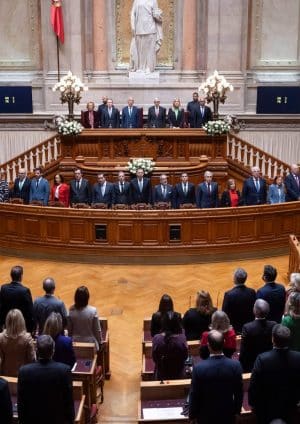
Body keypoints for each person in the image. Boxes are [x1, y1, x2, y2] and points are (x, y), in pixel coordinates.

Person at [248, 325, 300, 424]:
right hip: (290, 407)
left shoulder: (262, 359)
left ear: (272, 339)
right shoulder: (298, 358)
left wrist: (252, 403)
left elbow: (254, 384)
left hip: (266, 409)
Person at [18, 334, 75, 424]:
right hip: (57, 420)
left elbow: (21, 403)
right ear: (53, 351)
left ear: (36, 351)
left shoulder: (24, 371)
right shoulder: (64, 370)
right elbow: (68, 402)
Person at [189, 330, 243, 424]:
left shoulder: (199, 368)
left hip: (205, 416)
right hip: (227, 414)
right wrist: (237, 412)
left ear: (208, 345)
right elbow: (239, 393)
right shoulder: (235, 365)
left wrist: (192, 416)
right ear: (224, 343)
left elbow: (195, 394)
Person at [239, 299, 276, 373]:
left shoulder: (247, 327)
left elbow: (244, 351)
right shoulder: (274, 325)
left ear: (254, 311)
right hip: (270, 363)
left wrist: (241, 366)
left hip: (252, 365)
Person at [152, 311, 188, 380]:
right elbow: (185, 357)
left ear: (163, 323)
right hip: (179, 375)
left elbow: (155, 359)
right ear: (177, 323)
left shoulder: (157, 338)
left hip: (161, 375)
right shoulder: (182, 337)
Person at [0, 309, 35, 377]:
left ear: (7, 321)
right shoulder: (27, 338)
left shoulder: (1, 337)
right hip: (23, 376)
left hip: (5, 376)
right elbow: (32, 359)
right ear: (22, 321)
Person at [130, 0, 163, 73]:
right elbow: (133, 13)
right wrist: (133, 26)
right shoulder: (136, 1)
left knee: (150, 49)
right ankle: (141, 67)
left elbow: (155, 14)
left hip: (150, 28)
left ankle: (149, 67)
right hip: (139, 28)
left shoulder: (153, 1)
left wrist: (158, 15)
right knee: (140, 50)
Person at [0, 265, 35, 333]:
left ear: (11, 276)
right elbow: (30, 312)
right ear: (21, 277)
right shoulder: (25, 291)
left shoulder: (3, 288)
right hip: (20, 326)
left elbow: (1, 307)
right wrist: (30, 330)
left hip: (7, 324)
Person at [222, 268, 256, 334]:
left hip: (234, 330)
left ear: (234, 279)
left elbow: (224, 313)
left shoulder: (229, 294)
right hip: (250, 328)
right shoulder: (252, 292)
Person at [68, 286, 102, 351]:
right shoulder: (93, 311)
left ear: (76, 298)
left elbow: (70, 331)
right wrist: (100, 342)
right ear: (87, 298)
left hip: (75, 346)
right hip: (90, 345)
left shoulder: (71, 311)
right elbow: (97, 330)